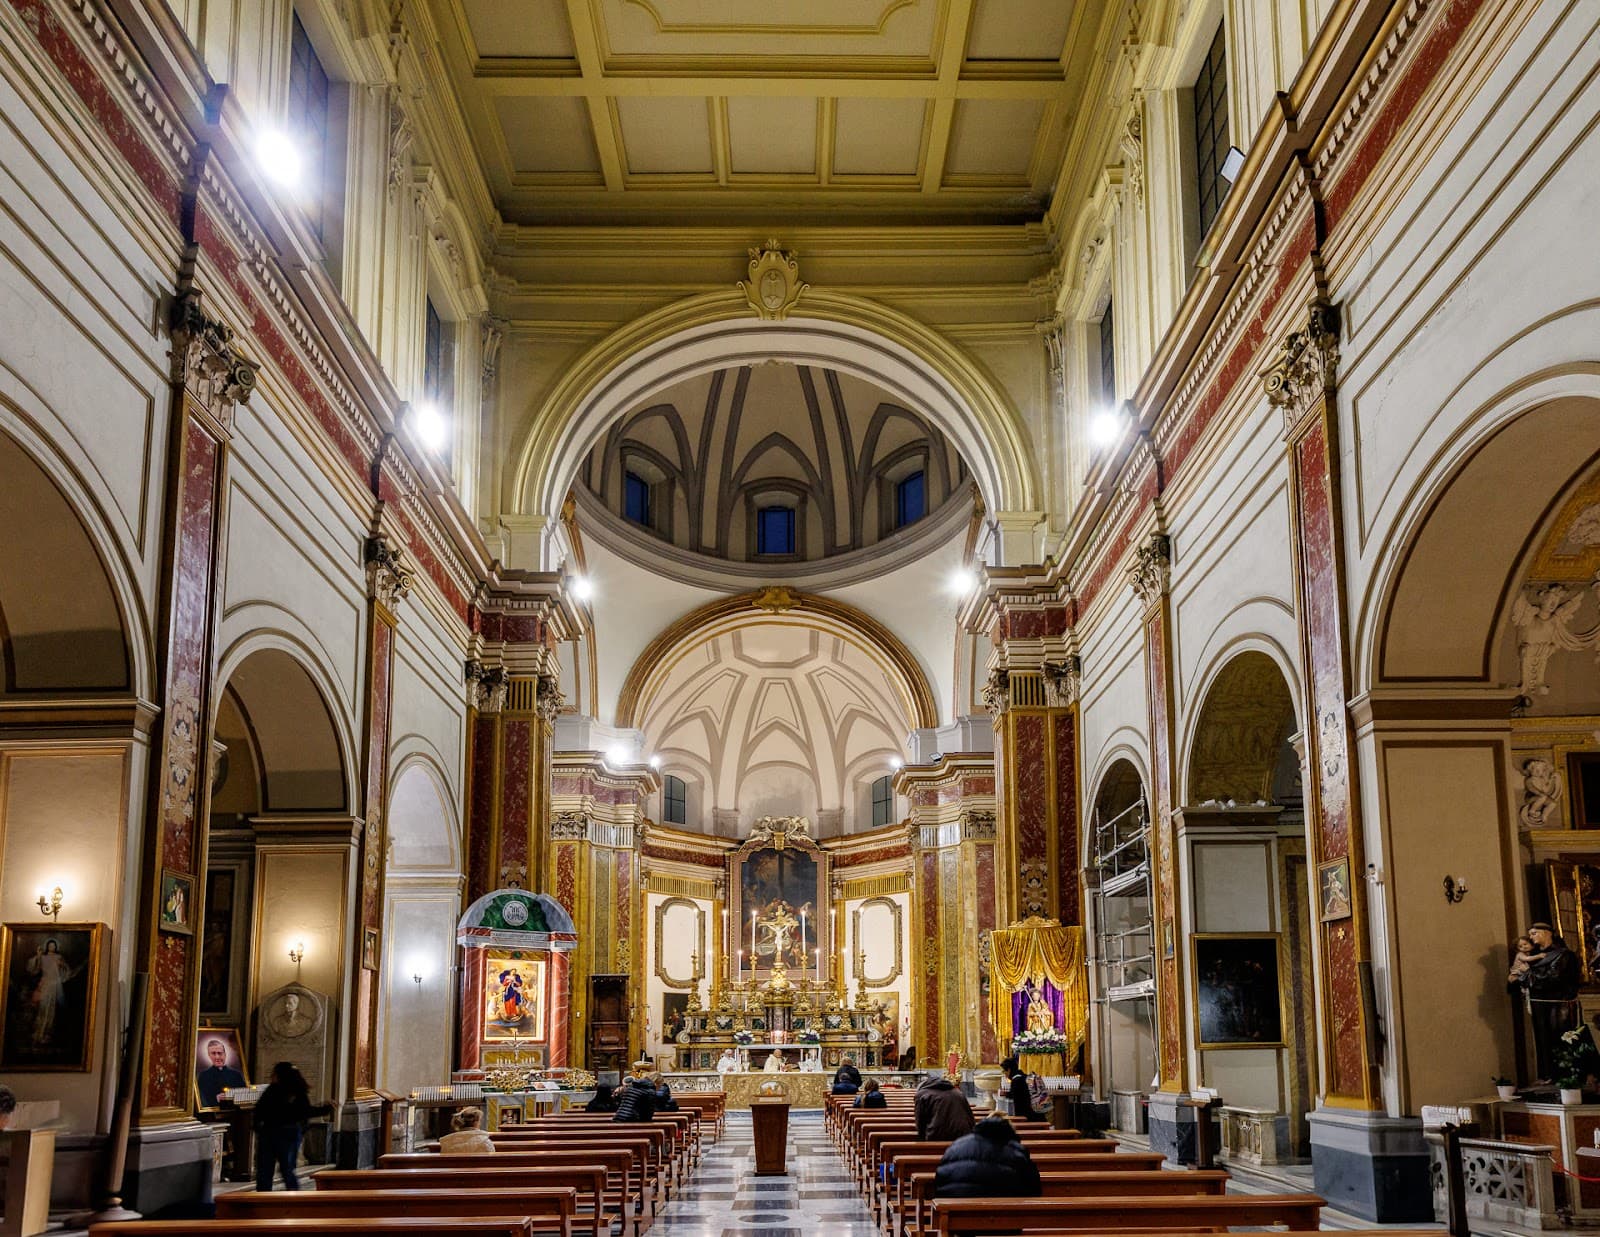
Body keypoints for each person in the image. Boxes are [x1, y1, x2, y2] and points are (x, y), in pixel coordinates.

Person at [1517, 922, 1582, 1082]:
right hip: (1540, 1004)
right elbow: (1523, 978)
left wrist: (1528, 975)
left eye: (1534, 933)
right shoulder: (1535, 955)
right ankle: (1547, 1075)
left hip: (1558, 1005)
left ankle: (1566, 1078)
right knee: (1542, 1041)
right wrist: (1527, 976)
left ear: (1547, 933)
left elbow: (1553, 979)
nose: (1531, 937)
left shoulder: (1563, 954)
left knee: (1559, 1039)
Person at [933, 1115, 1043, 1198]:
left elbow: (941, 1179)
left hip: (955, 1215)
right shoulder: (1016, 1151)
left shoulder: (956, 1146)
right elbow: (1034, 1189)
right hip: (1006, 1219)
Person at [252, 1062, 314, 1191]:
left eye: (274, 1073)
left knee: (265, 1170)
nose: (271, 1076)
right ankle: (294, 1198)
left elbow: (259, 1111)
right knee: (287, 1170)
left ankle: (263, 1198)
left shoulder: (273, 1090)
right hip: (287, 1133)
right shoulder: (297, 1090)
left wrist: (258, 1128)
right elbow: (305, 1112)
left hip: (272, 1133)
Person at [915, 1071, 975, 1141]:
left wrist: (922, 1138)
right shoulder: (957, 1092)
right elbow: (969, 1115)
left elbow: (920, 1120)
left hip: (937, 1134)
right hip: (964, 1134)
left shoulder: (922, 1094)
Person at [196, 1038, 247, 1108]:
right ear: (209, 1055)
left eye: (220, 1053)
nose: (217, 1057)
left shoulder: (236, 1075)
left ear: (225, 1054)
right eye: (213, 1053)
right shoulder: (203, 1076)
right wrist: (216, 1098)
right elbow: (201, 1100)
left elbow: (244, 1095)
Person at [1002, 1056, 1040, 1121]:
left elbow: (1016, 1096)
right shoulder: (1025, 1077)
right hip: (1037, 1114)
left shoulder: (1016, 1080)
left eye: (1004, 1071)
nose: (1004, 1074)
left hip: (1027, 1117)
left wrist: (1006, 1094)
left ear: (1009, 1070)